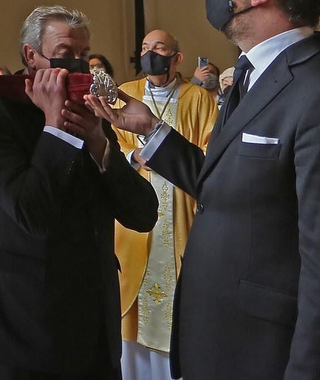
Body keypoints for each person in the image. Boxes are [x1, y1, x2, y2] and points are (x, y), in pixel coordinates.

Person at [89, 0, 320, 380]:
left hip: (273, 350)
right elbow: (227, 185)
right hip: (225, 339)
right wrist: (150, 129)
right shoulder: (251, 79)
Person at [0, 6, 156, 379]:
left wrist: (99, 143)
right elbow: (31, 213)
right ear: (30, 55)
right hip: (18, 323)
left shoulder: (89, 111)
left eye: (83, 55)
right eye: (65, 53)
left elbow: (142, 213)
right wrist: (56, 129)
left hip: (91, 324)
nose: (77, 65)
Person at [113, 29, 219, 380]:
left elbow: (209, 154)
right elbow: (110, 145)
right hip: (133, 217)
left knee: (177, 310)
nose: (150, 53)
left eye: (158, 48)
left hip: (180, 213)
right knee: (130, 320)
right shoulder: (125, 94)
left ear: (177, 58)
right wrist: (132, 155)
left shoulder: (197, 98)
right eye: (144, 47)